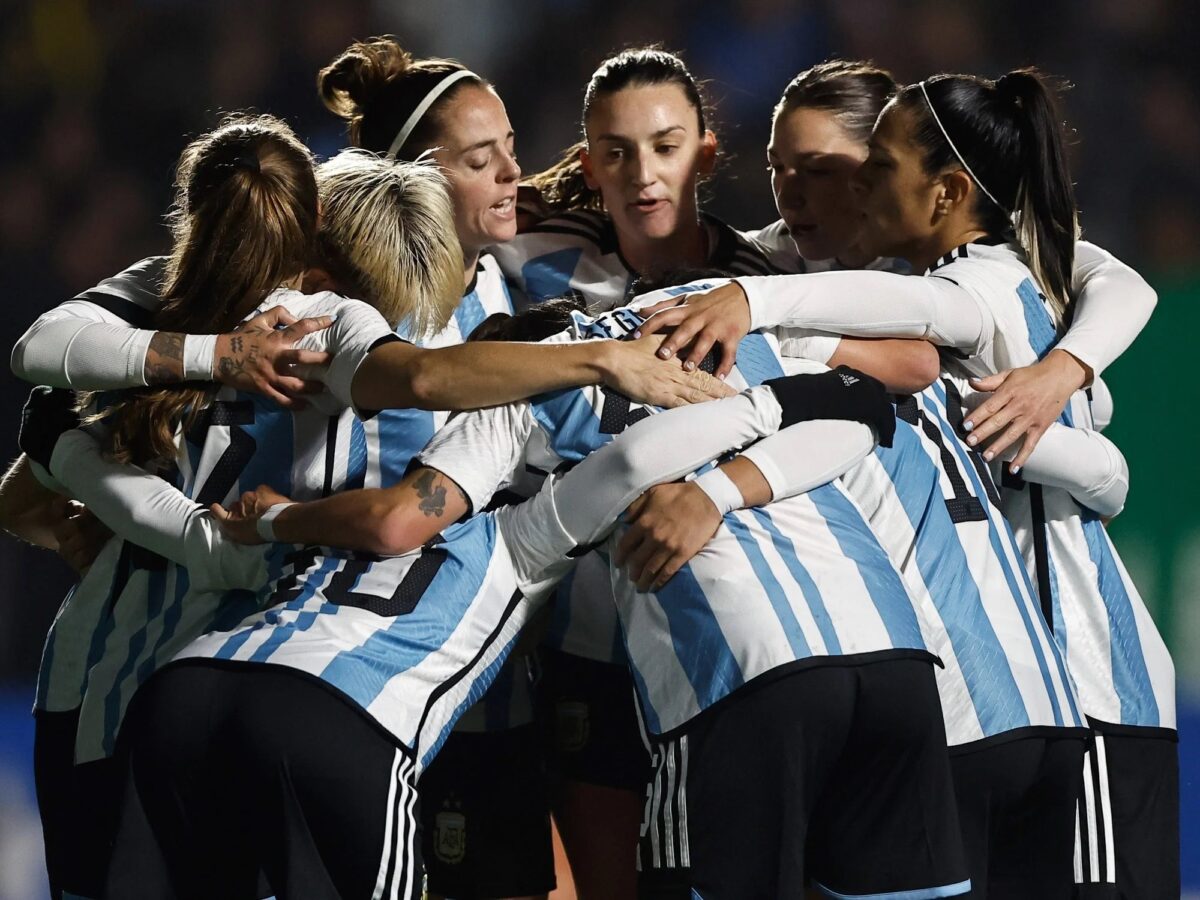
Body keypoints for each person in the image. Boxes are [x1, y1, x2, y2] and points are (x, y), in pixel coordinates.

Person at [9, 115, 717, 899]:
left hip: (109, 681)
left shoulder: (163, 300)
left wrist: (86, 474)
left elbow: (28, 470)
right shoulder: (342, 335)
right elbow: (417, 398)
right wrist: (602, 360)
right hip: (272, 668)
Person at [25, 332, 874, 898]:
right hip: (339, 719)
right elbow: (631, 461)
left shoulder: (340, 505)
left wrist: (65, 445)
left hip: (183, 691)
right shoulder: (522, 534)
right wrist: (775, 406)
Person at [642, 68, 1178, 898]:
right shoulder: (994, 278)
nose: (834, 189)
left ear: (945, 190)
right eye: (780, 168)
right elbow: (1107, 472)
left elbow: (1077, 304)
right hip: (1012, 681)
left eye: (866, 167)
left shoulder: (972, 283)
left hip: (1087, 673)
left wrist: (751, 301)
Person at [317, 37, 545, 897]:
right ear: (414, 176)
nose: (511, 174)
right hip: (371, 662)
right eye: (481, 161)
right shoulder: (357, 306)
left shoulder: (491, 278)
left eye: (510, 149)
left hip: (480, 668)